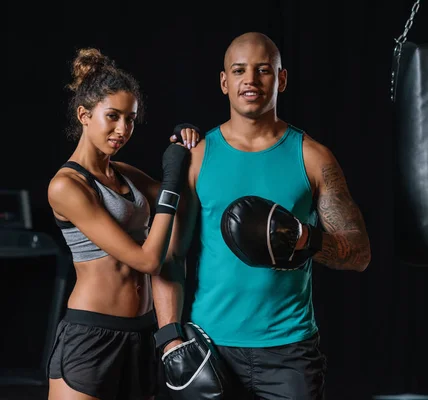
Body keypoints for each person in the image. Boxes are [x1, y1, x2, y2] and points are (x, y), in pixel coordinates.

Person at [155, 31, 372, 400]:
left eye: (263, 70)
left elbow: (360, 255)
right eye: (239, 70)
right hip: (211, 347)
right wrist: (170, 339)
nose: (250, 80)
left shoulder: (313, 158)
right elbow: (171, 257)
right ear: (225, 82)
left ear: (281, 79)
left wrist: (304, 238)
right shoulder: (198, 157)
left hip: (290, 351)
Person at [45, 48, 197, 400]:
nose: (122, 129)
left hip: (141, 332)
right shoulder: (67, 185)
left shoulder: (122, 173)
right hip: (92, 333)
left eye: (130, 119)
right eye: (112, 116)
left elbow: (182, 194)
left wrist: (186, 143)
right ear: (84, 115)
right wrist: (172, 181)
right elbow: (146, 260)